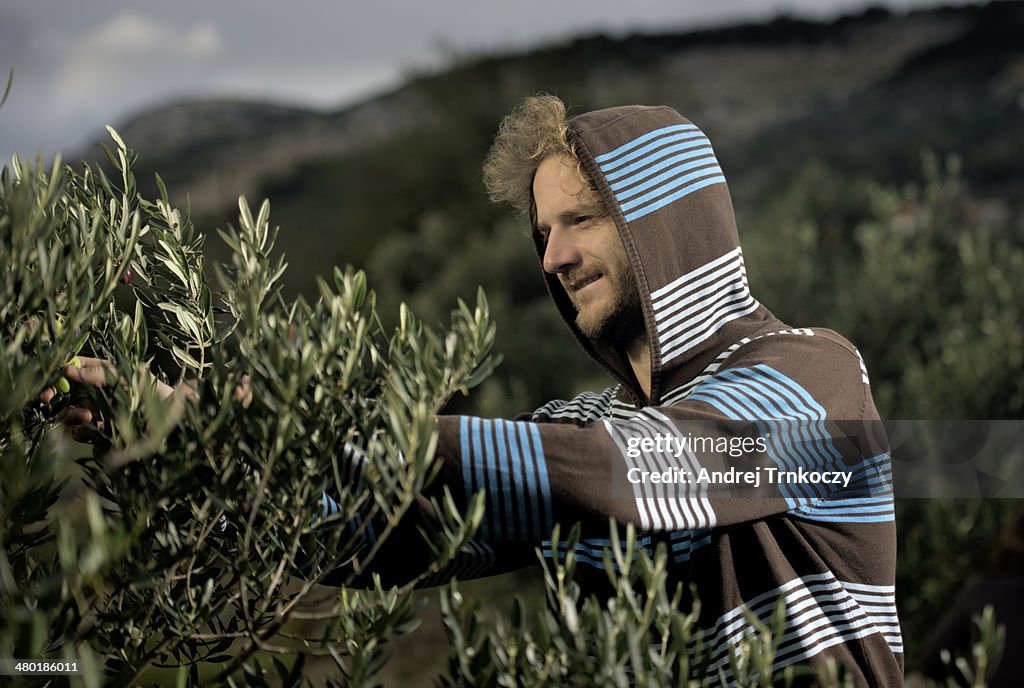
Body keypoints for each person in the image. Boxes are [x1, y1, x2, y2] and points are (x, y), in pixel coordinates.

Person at [50, 96, 902, 684]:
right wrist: (174, 438)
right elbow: (387, 533)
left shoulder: (814, 375)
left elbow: (642, 473)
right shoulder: (591, 424)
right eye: (542, 233)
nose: (554, 259)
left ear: (667, 223)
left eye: (583, 219)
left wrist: (272, 413)